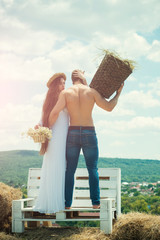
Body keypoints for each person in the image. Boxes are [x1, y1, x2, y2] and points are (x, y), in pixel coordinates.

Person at [48, 70, 124, 209]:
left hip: (73, 132)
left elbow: (54, 112)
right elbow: (109, 107)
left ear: (72, 80)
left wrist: (48, 129)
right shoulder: (91, 92)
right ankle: (95, 203)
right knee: (92, 169)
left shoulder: (66, 93)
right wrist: (118, 93)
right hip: (89, 132)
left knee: (70, 170)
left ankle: (67, 204)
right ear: (82, 78)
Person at [33, 73, 69, 214]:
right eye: (61, 83)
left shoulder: (65, 98)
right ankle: (52, 203)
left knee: (61, 167)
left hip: (63, 138)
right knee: (53, 167)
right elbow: (43, 118)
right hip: (53, 139)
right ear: (55, 86)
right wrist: (38, 125)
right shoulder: (49, 101)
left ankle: (58, 201)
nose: (64, 85)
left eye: (64, 82)